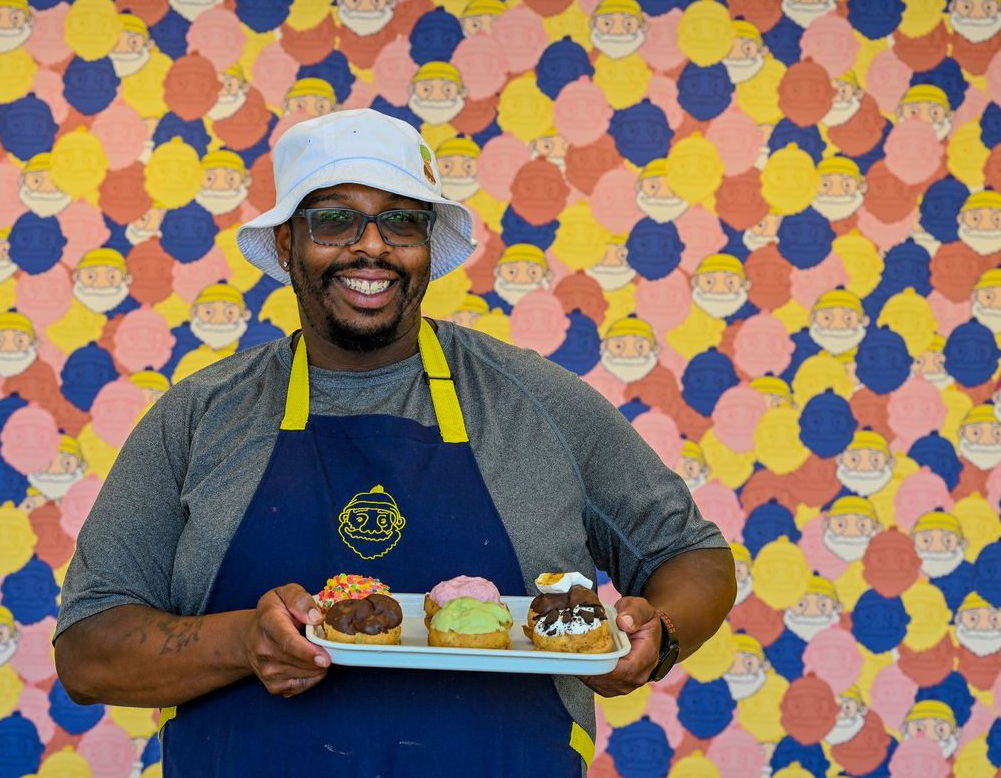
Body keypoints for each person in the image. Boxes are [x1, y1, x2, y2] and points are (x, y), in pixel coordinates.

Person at [53, 109, 735, 777]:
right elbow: (87, 653)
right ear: (288, 242)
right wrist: (243, 641)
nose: (371, 246)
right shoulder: (199, 417)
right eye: (334, 219)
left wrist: (660, 636)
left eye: (402, 220)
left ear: (427, 246)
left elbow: (692, 557)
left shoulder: (537, 403)